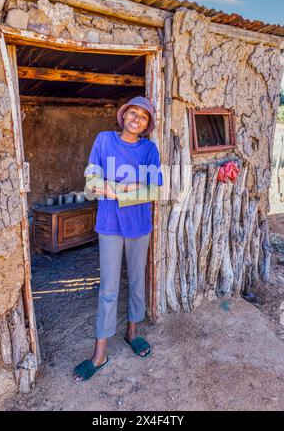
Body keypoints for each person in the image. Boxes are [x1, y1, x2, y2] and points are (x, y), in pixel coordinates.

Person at [73, 96, 163, 382]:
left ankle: (132, 332)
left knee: (137, 280)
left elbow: (155, 190)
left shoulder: (149, 149)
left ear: (148, 125)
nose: (136, 119)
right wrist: (130, 187)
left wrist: (114, 188)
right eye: (132, 113)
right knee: (109, 288)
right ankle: (100, 352)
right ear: (123, 116)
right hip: (109, 225)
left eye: (144, 117)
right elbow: (91, 184)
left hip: (139, 226)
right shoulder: (104, 141)